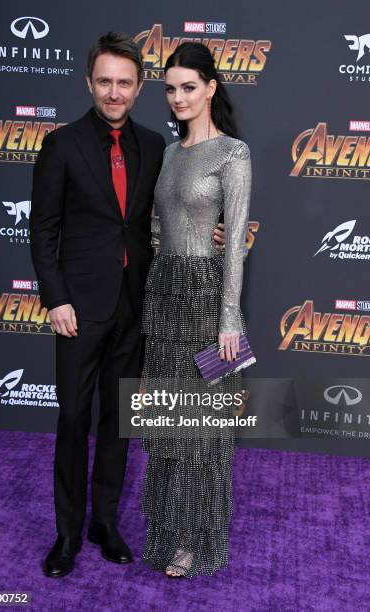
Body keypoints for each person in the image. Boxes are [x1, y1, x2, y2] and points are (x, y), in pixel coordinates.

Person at [29, 32, 225, 578]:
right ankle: (67, 533)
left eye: (125, 82)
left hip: (136, 306)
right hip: (79, 309)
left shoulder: (152, 146)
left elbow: (161, 218)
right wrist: (56, 300)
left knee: (118, 422)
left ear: (140, 88)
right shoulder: (61, 144)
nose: (114, 92)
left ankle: (104, 523)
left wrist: (206, 234)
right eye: (104, 82)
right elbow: (42, 230)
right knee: (73, 419)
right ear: (89, 83)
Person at [140, 42, 252, 578]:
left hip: (207, 300)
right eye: (170, 88)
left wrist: (230, 318)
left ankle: (193, 536)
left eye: (189, 87)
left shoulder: (234, 153)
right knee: (168, 419)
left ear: (210, 87)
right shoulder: (169, 152)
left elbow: (234, 245)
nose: (178, 97)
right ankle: (167, 524)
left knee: (201, 427)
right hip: (163, 297)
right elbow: (158, 227)